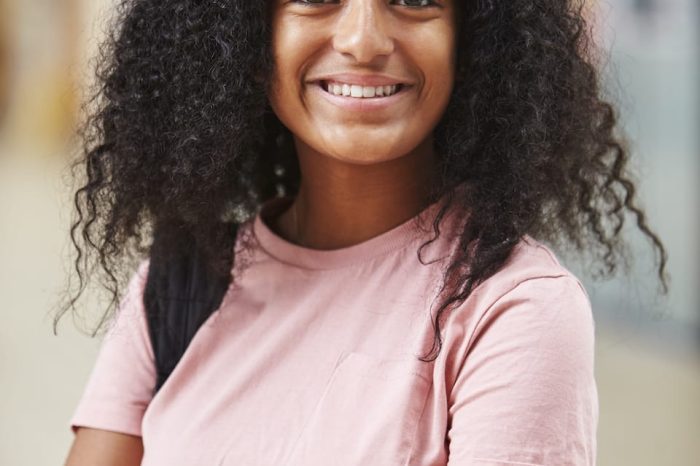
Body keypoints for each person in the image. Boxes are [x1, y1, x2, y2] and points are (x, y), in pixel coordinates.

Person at [60, 1, 667, 465]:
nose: (363, 41)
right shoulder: (176, 286)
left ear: (474, 37)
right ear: (245, 29)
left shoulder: (512, 311)